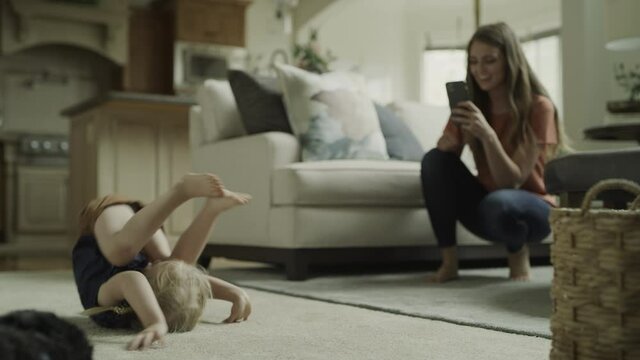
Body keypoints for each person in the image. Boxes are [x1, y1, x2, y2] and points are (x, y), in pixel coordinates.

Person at [421, 22, 567, 283]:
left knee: (501, 201)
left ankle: (518, 254)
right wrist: (452, 139)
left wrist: (487, 134)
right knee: (434, 161)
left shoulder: (539, 107)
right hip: (487, 209)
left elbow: (512, 181)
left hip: (531, 209)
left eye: (489, 61)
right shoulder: (474, 106)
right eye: (473, 62)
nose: (479, 70)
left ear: (510, 61)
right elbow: (442, 160)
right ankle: (449, 262)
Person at [72, 173, 252, 350]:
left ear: (146, 293)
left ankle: (194, 198)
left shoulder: (109, 306)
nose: (154, 263)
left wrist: (155, 322)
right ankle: (197, 200)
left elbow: (133, 280)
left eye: (156, 266)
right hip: (136, 227)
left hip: (103, 219)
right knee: (180, 265)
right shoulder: (149, 280)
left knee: (121, 254)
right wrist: (233, 292)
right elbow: (185, 280)